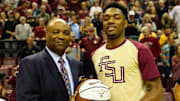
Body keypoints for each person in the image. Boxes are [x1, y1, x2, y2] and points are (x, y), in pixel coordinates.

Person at [91, 3, 163, 101]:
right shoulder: (95, 54)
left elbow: (156, 89)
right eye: (106, 18)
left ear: (125, 23)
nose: (110, 21)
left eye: (116, 17)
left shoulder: (140, 50)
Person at [16, 18, 83, 101]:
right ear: (46, 35)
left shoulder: (76, 64)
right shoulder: (30, 64)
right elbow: (26, 99)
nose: (61, 37)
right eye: (56, 32)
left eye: (65, 33)